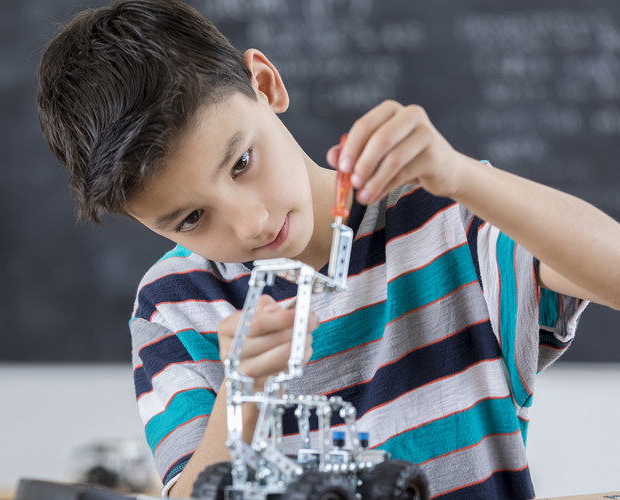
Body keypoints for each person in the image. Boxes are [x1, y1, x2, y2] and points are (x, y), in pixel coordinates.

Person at [36, 1, 620, 498]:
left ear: (265, 85)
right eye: (191, 218)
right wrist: (244, 393)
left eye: (242, 162)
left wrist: (465, 177)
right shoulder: (175, 305)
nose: (252, 223)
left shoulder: (450, 217)